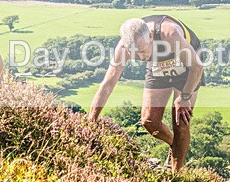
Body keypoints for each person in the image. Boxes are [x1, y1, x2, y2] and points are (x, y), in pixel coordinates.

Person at [87, 16, 204, 172]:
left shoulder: (170, 34)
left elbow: (197, 67)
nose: (141, 58)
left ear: (150, 36)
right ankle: (173, 144)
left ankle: (176, 175)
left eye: (142, 51)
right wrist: (91, 121)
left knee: (180, 121)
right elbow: (108, 83)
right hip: (158, 66)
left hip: (187, 67)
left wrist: (185, 97)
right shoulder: (124, 47)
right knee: (149, 121)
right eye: (135, 54)